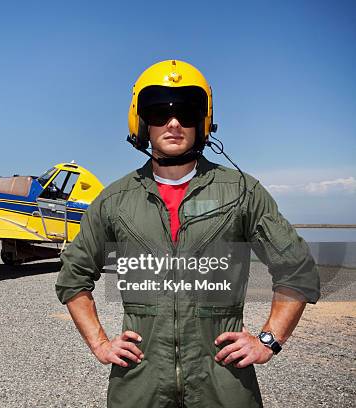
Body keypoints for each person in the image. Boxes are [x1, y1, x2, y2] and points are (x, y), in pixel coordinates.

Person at [55, 60, 320, 407]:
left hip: (223, 384)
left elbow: (296, 269)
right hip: (139, 385)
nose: (174, 123)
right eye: (159, 112)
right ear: (141, 121)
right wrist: (100, 344)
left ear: (204, 121)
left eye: (187, 112)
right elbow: (73, 277)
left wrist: (268, 340)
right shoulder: (115, 200)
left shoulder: (241, 191)